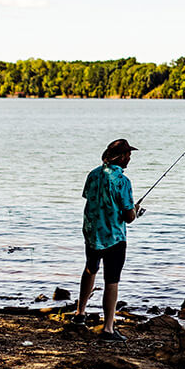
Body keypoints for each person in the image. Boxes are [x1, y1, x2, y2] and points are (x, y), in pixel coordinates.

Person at [71, 138, 144, 341]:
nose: (130, 157)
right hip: (114, 237)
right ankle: (108, 328)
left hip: (92, 233)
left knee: (90, 269)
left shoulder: (93, 174)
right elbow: (128, 218)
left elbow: (90, 198)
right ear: (120, 157)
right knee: (112, 281)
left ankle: (80, 314)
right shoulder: (123, 181)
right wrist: (136, 210)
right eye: (128, 154)